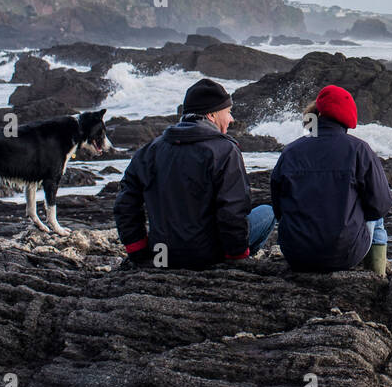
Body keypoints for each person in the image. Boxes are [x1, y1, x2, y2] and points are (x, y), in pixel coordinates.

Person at [115, 78, 275, 269]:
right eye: (228, 112)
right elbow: (232, 210)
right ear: (212, 115)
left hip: (162, 255)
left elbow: (125, 204)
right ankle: (236, 259)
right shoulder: (224, 150)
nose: (231, 119)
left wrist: (138, 252)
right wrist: (236, 257)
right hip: (207, 256)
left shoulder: (151, 149)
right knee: (268, 212)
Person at [269, 84, 392, 276]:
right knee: (377, 218)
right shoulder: (359, 149)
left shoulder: (291, 150)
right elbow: (381, 205)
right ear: (349, 117)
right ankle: (377, 277)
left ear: (318, 113)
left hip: (296, 254)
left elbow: (278, 206)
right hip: (344, 254)